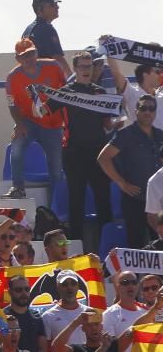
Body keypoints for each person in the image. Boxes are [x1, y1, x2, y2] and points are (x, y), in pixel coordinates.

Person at [44, 52, 117, 243]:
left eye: (89, 66)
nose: (86, 70)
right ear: (75, 69)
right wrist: (34, 96)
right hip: (74, 154)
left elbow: (108, 124)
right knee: (76, 202)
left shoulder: (100, 92)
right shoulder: (66, 92)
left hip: (98, 154)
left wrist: (121, 122)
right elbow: (43, 111)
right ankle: (76, 248)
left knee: (104, 201)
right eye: (82, 66)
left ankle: (107, 248)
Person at [2, 38, 67, 199]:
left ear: (37, 53)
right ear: (18, 59)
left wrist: (67, 122)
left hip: (54, 124)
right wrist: (19, 124)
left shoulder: (53, 66)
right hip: (29, 121)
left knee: (56, 166)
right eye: (24, 56)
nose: (29, 59)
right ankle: (17, 187)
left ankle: (56, 200)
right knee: (16, 146)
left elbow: (67, 92)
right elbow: (12, 105)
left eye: (31, 53)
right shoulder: (12, 78)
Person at [98, 95, 163, 248]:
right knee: (136, 244)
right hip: (135, 199)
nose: (147, 112)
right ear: (136, 111)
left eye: (151, 108)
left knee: (160, 245)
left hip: (159, 202)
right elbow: (103, 158)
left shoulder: (160, 135)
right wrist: (122, 183)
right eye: (143, 108)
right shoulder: (126, 134)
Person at [103, 36, 163, 127]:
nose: (161, 75)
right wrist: (109, 46)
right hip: (142, 140)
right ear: (145, 74)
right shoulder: (132, 93)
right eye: (158, 72)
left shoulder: (161, 94)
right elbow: (116, 73)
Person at [23, 0, 71, 77]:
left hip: (30, 82)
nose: (57, 7)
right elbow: (58, 59)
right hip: (46, 83)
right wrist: (72, 80)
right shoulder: (46, 29)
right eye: (53, 4)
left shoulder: (28, 30)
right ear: (40, 9)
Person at [41, 270, 93, 346]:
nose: (69, 287)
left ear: (78, 286)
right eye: (65, 284)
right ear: (58, 287)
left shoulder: (90, 312)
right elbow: (47, 347)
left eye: (73, 284)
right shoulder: (48, 316)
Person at [3, 276, 48, 352]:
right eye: (18, 290)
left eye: (27, 289)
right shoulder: (2, 317)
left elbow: (42, 348)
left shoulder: (37, 316)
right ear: (10, 292)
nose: (24, 293)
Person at [102, 271, 147, 338]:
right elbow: (111, 346)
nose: (130, 286)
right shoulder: (109, 314)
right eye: (126, 282)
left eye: (134, 282)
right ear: (118, 287)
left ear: (137, 286)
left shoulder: (146, 312)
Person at [49, 310, 119, 352]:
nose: (93, 328)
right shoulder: (77, 349)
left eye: (96, 324)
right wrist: (76, 322)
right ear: (83, 328)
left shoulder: (113, 345)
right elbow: (56, 347)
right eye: (89, 325)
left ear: (101, 326)